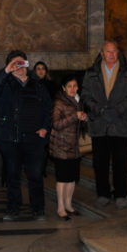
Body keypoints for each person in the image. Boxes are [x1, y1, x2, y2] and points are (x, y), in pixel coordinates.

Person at [0, 50, 52, 220]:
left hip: (34, 139)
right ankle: (13, 208)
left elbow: (48, 109)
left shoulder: (37, 84)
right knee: (12, 175)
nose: (20, 66)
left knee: (36, 175)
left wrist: (45, 128)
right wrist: (6, 71)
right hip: (11, 138)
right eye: (15, 63)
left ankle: (38, 209)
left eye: (22, 63)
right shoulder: (5, 83)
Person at [83, 40, 127, 208]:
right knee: (100, 162)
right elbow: (85, 96)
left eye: (114, 51)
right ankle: (103, 193)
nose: (112, 54)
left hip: (121, 124)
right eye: (108, 51)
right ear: (102, 53)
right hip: (99, 125)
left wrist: (118, 110)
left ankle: (121, 194)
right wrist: (99, 109)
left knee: (121, 162)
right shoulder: (91, 73)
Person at [49, 76, 86, 220]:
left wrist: (84, 118)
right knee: (63, 179)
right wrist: (74, 116)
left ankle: (69, 205)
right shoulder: (59, 102)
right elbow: (56, 124)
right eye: (69, 86)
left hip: (74, 146)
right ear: (63, 88)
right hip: (61, 146)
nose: (72, 89)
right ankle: (60, 207)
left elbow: (79, 124)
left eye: (75, 86)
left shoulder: (78, 101)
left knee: (72, 179)